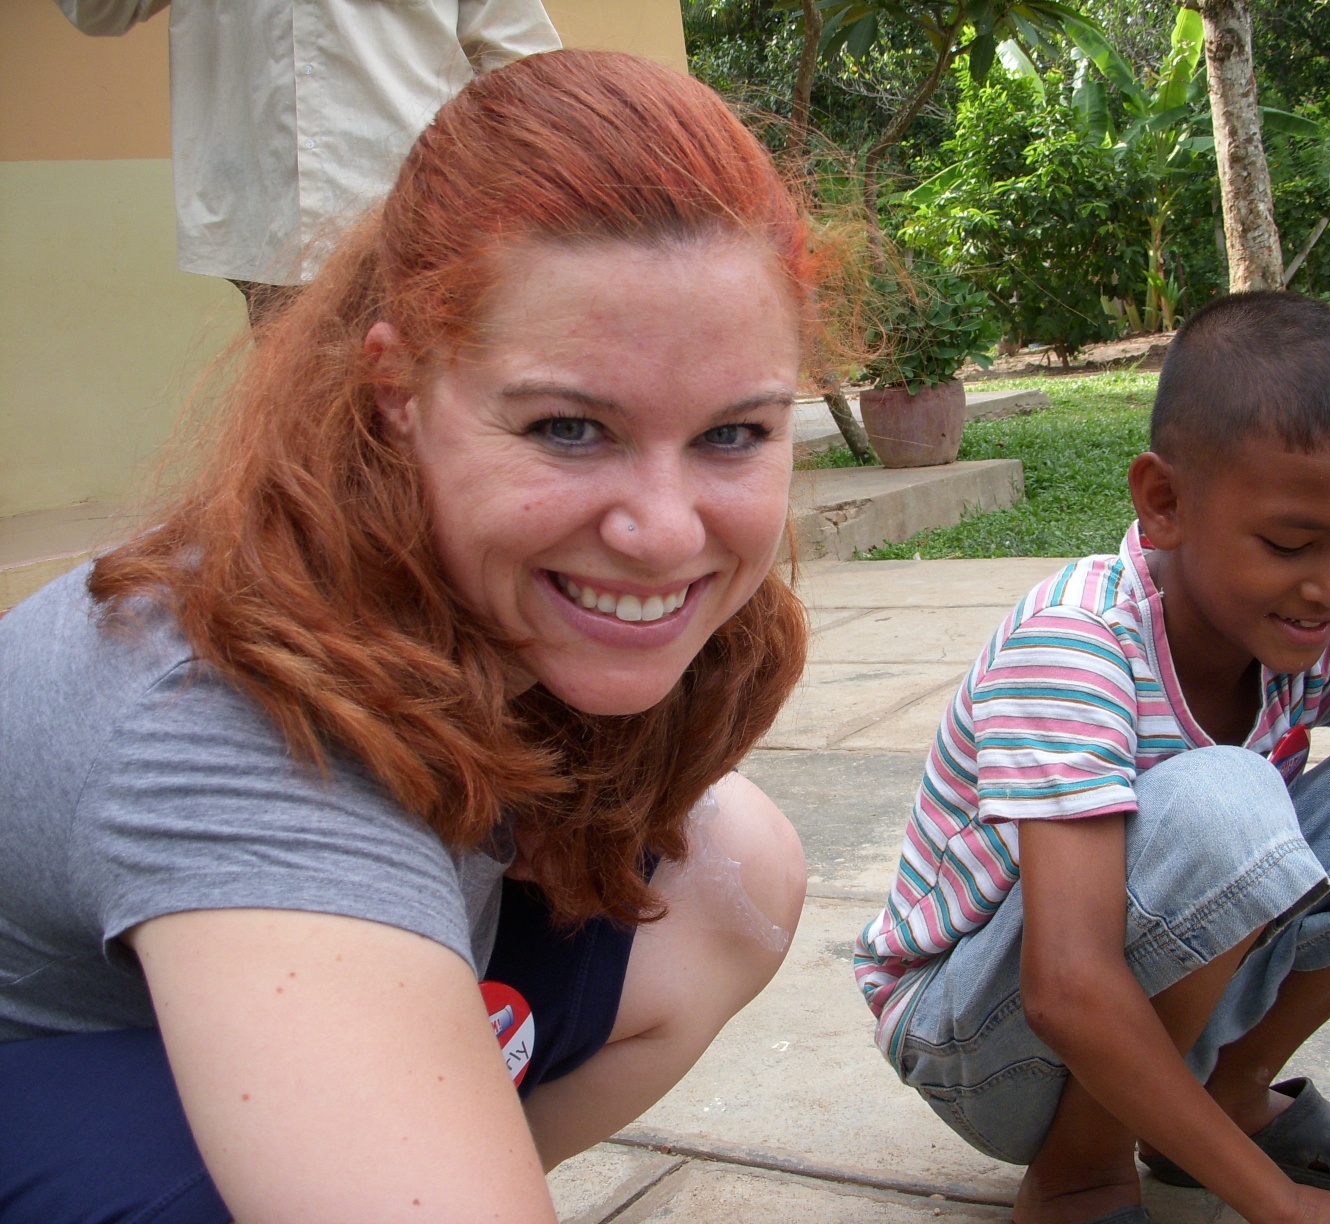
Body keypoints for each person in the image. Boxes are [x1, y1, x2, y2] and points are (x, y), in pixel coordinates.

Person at [0, 50, 825, 1223]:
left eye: (734, 434)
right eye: (570, 427)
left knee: (734, 870)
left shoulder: (508, 592)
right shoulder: (223, 716)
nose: (662, 531)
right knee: (189, 1173)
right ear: (398, 389)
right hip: (57, 1093)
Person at [853, 291, 1330, 1224]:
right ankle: (1078, 1172)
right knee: (1226, 799)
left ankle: (1230, 1095)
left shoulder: (1324, 624)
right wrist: (1286, 1211)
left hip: (1134, 1004)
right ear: (1166, 502)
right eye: (1291, 543)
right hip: (984, 1041)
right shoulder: (1074, 646)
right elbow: (1065, 987)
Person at [54, 0, 561, 326]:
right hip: (269, 216)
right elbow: (97, 12)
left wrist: (501, 198)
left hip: (413, 214)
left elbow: (524, 60)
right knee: (298, 429)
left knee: (413, 416)